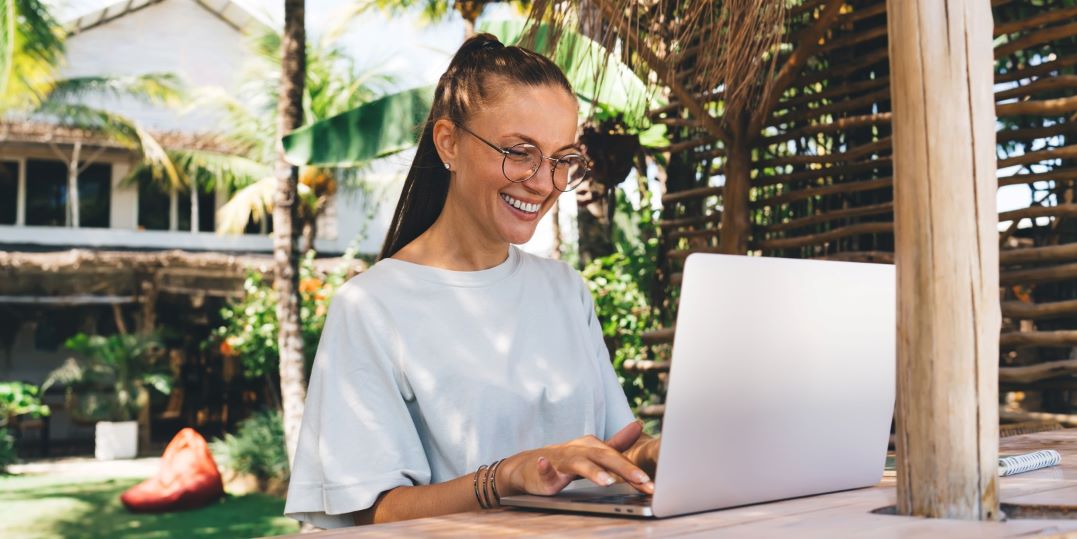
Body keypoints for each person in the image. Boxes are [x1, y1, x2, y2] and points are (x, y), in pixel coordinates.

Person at [283, 33, 659, 529]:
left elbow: (613, 447)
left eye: (562, 159)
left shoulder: (566, 290)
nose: (543, 182)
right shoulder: (372, 306)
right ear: (449, 143)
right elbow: (371, 513)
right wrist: (503, 478)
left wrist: (655, 452)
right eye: (520, 152)